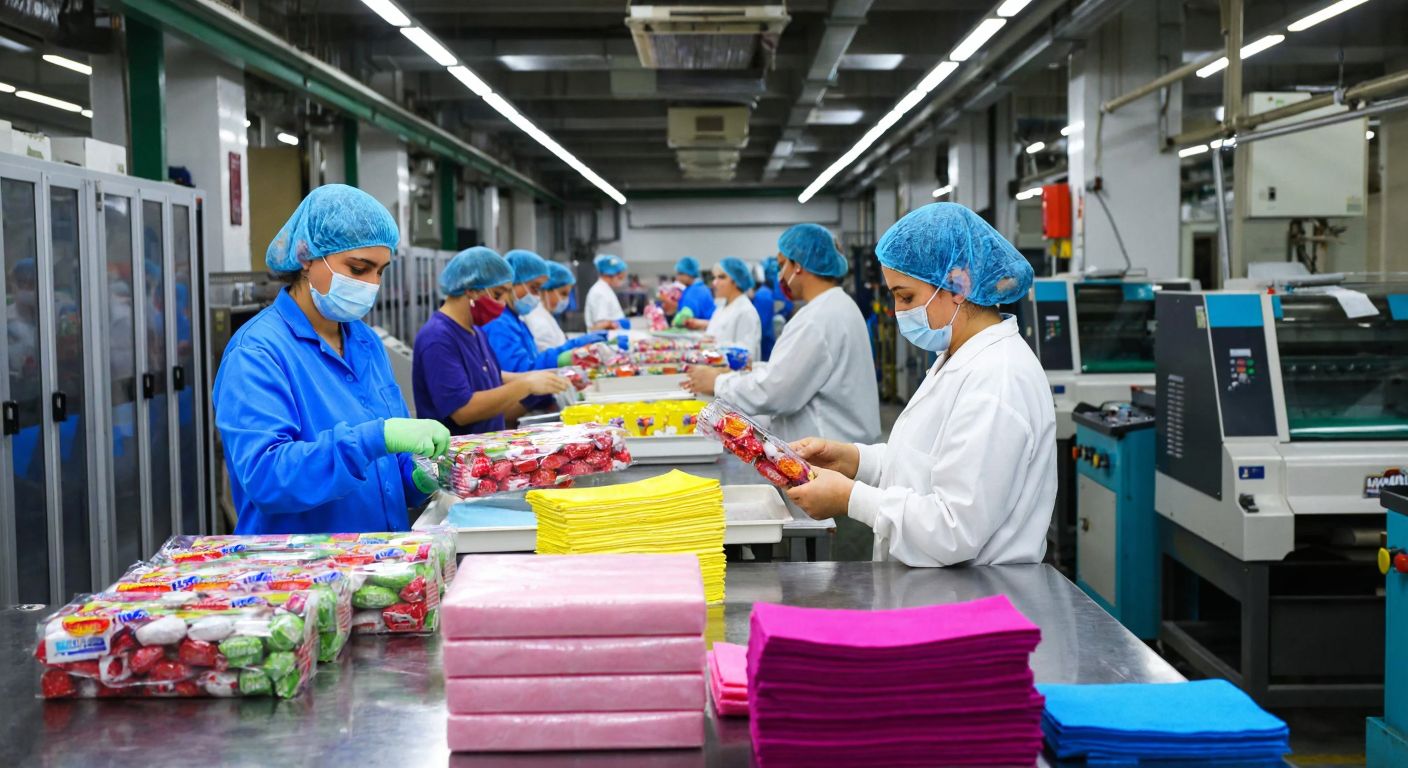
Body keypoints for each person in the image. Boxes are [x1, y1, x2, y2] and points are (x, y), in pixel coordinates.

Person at [785, 203, 1054, 567]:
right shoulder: (959, 357)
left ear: (959, 285)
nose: (898, 311)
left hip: (974, 600)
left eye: (906, 296)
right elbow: (926, 464)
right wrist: (853, 459)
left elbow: (954, 529)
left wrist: (851, 498)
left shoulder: (998, 380)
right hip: (939, 588)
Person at [213, 184, 451, 534]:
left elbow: (390, 468)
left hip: (380, 559)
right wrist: (374, 438)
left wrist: (420, 476)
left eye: (380, 271)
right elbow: (267, 477)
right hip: (301, 573)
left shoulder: (364, 341)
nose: (372, 284)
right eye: (358, 269)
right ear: (307, 258)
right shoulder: (258, 352)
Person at [685, 223, 879, 445]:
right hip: (841, 444)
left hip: (827, 451)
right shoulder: (839, 305)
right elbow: (791, 372)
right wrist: (748, 371)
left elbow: (775, 391)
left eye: (781, 265)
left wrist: (718, 382)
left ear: (797, 265)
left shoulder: (816, 318)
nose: (780, 275)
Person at [412, 246, 570, 436]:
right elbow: (463, 411)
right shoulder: (437, 338)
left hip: (483, 448)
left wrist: (542, 377)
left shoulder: (474, 331)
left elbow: (489, 374)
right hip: (457, 458)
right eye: (497, 294)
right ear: (470, 289)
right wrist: (525, 386)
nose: (503, 303)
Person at [486, 249, 606, 372]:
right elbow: (519, 370)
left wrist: (573, 346)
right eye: (534, 288)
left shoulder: (515, 320)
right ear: (511, 283)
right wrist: (563, 357)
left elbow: (532, 359)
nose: (537, 296)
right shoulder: (499, 323)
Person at [705, 257, 762, 360]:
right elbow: (711, 337)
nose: (714, 283)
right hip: (716, 369)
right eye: (714, 278)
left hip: (734, 374)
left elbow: (747, 354)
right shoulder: (721, 308)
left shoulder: (746, 311)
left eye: (721, 277)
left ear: (736, 281)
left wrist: (716, 346)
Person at [525, 261, 576, 352]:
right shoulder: (537, 320)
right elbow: (546, 358)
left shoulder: (545, 314)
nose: (566, 300)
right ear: (546, 290)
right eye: (563, 293)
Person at [584, 253, 630, 330]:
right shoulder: (599, 292)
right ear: (612, 274)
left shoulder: (605, 289)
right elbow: (600, 325)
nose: (621, 281)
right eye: (620, 277)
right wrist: (617, 324)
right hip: (604, 340)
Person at [672, 256, 716, 330]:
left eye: (680, 274)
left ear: (689, 274)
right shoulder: (700, 288)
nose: (677, 278)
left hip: (700, 332)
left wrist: (675, 323)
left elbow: (686, 317)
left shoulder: (694, 291)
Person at [751, 257, 779, 360]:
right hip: (766, 342)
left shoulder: (762, 295)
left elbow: (760, 325)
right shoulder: (765, 293)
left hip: (764, 345)